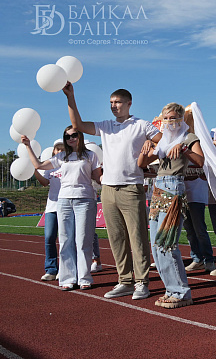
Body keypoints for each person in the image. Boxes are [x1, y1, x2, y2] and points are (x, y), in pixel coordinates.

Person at [63, 81, 161, 299]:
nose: (113, 106)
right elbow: (77, 124)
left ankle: (142, 283)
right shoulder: (106, 126)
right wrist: (70, 97)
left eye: (117, 102)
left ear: (129, 103)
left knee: (137, 238)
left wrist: (151, 148)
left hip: (131, 188)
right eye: (110, 102)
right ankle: (125, 281)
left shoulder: (142, 125)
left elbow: (164, 142)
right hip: (107, 189)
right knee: (116, 239)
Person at [138, 102, 205, 308]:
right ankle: (171, 289)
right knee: (156, 246)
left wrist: (183, 148)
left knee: (166, 243)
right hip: (158, 189)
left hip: (174, 188)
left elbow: (200, 161)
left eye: (173, 117)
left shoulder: (188, 137)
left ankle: (180, 291)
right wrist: (146, 147)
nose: (170, 121)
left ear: (181, 118)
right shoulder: (162, 141)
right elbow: (141, 164)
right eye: (166, 118)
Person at [23, 127, 102, 290]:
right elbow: (38, 165)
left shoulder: (90, 155)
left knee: (83, 240)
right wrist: (28, 146)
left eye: (74, 135)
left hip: (85, 199)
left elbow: (98, 177)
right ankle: (67, 278)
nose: (71, 138)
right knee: (65, 240)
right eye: (67, 136)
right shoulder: (61, 157)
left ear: (80, 136)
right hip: (64, 200)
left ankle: (84, 277)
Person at [35, 139, 65, 281]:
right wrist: (34, 171)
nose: (60, 151)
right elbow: (45, 182)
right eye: (58, 149)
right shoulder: (50, 166)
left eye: (62, 149)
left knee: (66, 239)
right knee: (49, 237)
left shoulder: (68, 164)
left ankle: (65, 269)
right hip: (52, 207)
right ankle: (51, 269)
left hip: (66, 206)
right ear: (54, 151)